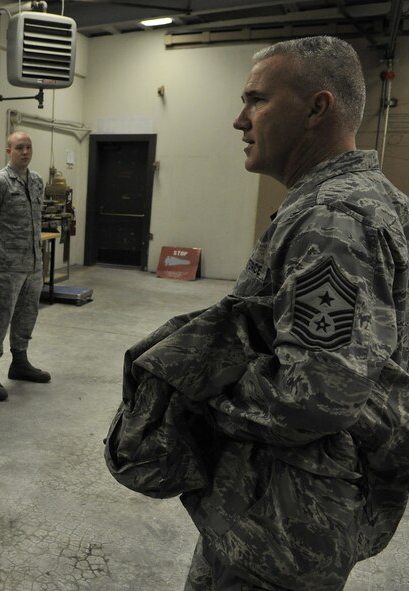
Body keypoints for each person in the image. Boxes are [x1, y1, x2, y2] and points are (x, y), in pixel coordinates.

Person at [115, 36, 409, 590]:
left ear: (317, 108)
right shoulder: (377, 199)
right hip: (286, 503)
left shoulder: (331, 219)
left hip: (281, 521)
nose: (239, 119)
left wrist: (201, 395)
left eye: (257, 100)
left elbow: (317, 393)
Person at [0, 130, 52, 402]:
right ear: (8, 151)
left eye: (29, 147)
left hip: (32, 263)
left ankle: (19, 362)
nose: (25, 152)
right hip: (5, 265)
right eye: (19, 147)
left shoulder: (36, 181)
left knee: (27, 315)